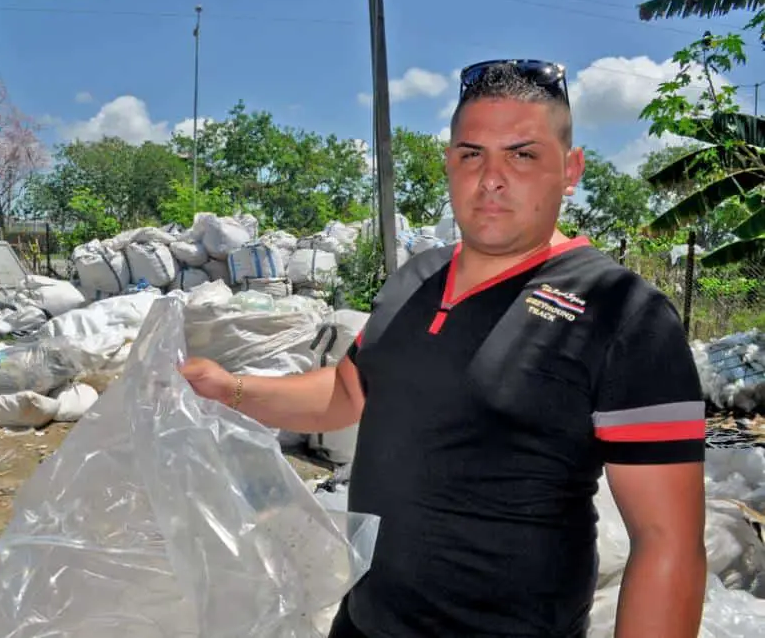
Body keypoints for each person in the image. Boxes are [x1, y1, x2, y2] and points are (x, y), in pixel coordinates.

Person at [179, 59, 708, 638]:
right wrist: (227, 388)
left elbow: (668, 544)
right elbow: (345, 394)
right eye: (471, 153)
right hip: (363, 623)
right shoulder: (415, 279)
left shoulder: (623, 315)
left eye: (523, 154)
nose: (491, 178)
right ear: (449, 164)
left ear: (571, 169)